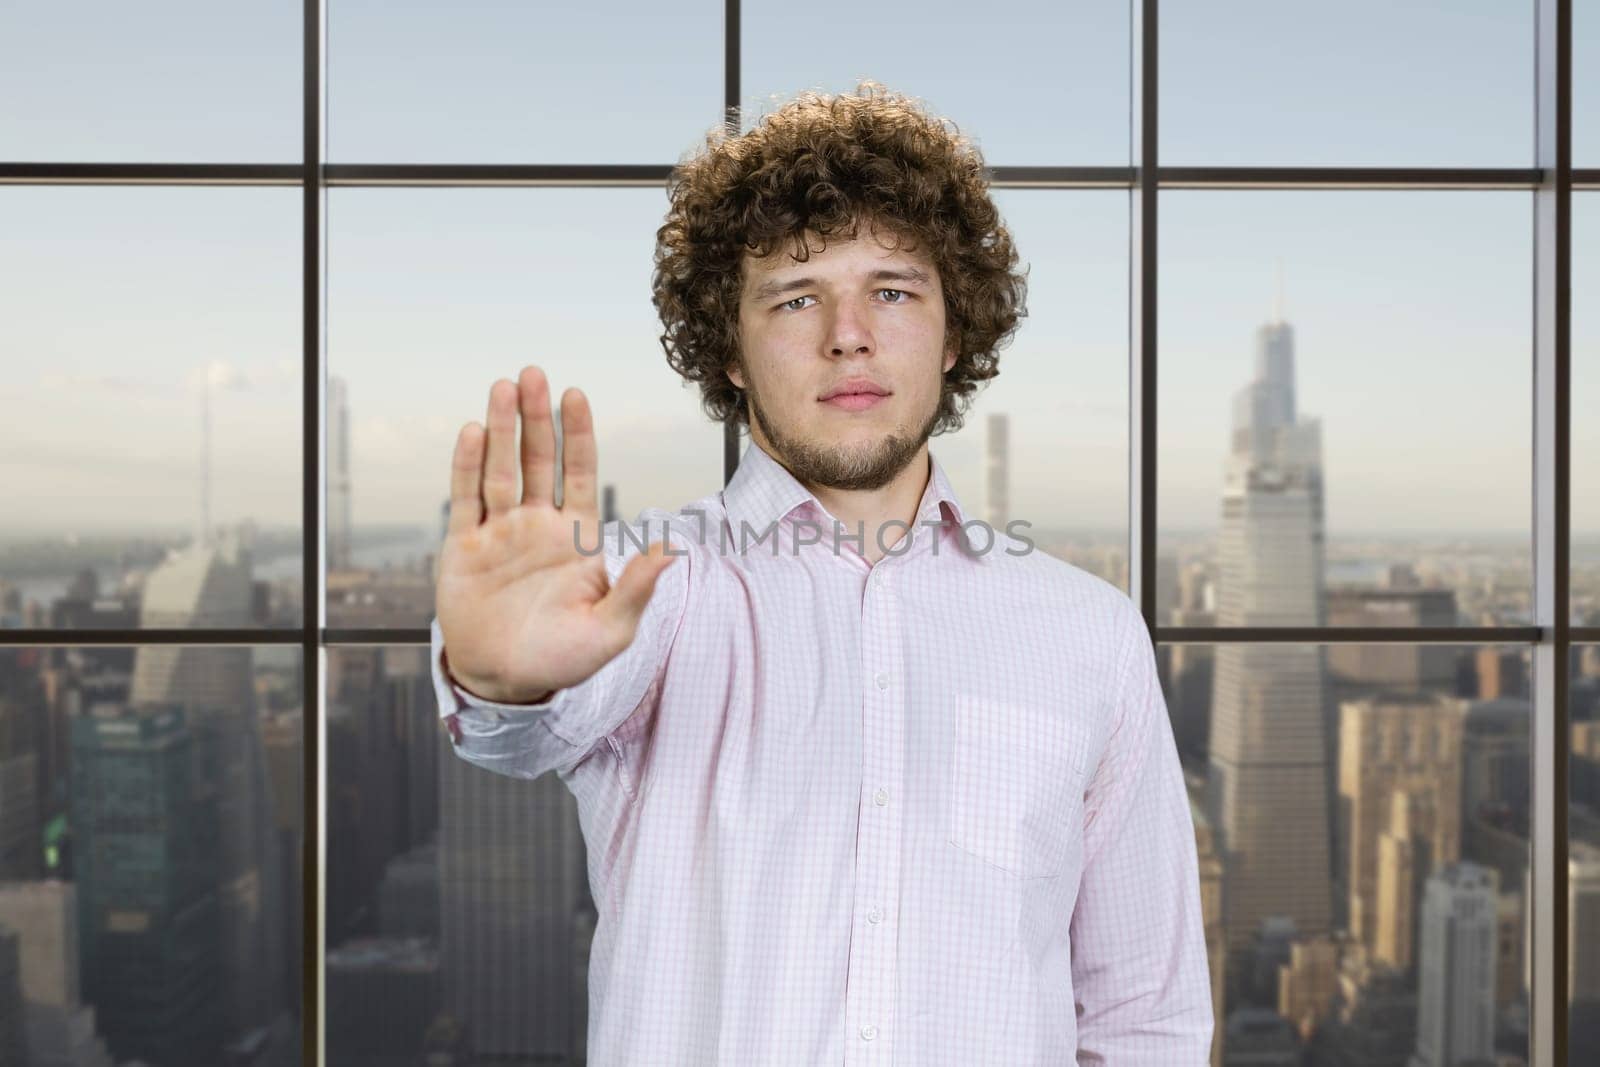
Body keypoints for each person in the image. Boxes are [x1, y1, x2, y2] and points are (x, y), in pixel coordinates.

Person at [430, 81, 1213, 1065]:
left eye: (892, 289)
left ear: (954, 329)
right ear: (732, 355)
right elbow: (527, 723)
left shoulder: (1087, 634)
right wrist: (504, 679)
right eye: (797, 296)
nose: (849, 333)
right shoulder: (645, 590)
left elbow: (1145, 1015)